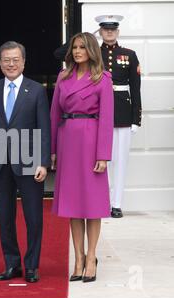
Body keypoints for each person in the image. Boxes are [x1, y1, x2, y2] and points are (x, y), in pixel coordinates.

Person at [54, 15, 142, 218]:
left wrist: (136, 118)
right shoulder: (92, 50)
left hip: (120, 112)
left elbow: (135, 88)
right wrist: (86, 37)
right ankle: (99, 200)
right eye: (105, 29)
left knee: (119, 160)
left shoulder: (128, 54)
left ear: (117, 32)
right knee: (96, 165)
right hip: (91, 117)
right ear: (100, 31)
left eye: (112, 30)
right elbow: (60, 53)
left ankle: (116, 203)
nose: (109, 32)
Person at [0, 41, 51, 283]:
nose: (11, 64)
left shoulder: (36, 90)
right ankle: (12, 264)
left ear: (23, 62)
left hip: (30, 162)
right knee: (5, 217)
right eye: (6, 60)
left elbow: (44, 128)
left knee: (33, 217)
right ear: (0, 63)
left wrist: (44, 162)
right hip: (0, 163)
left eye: (15, 60)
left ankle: (32, 266)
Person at [50, 33, 114, 283]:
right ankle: (77, 258)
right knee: (73, 206)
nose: (77, 51)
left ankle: (91, 258)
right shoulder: (63, 77)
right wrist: (53, 150)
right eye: (74, 48)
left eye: (82, 47)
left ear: (91, 50)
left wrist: (103, 155)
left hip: (91, 143)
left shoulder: (102, 78)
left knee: (92, 204)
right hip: (68, 143)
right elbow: (54, 115)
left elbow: (107, 120)